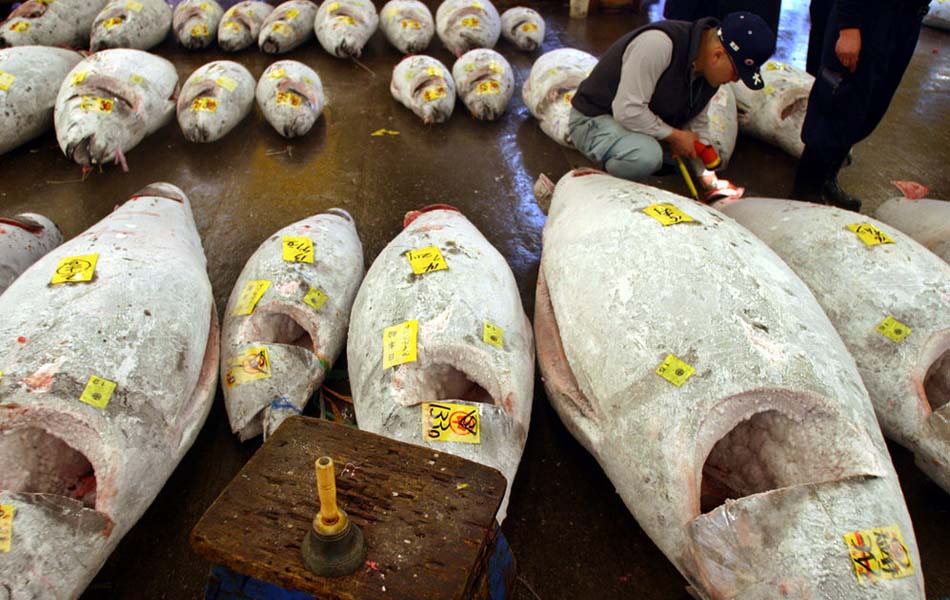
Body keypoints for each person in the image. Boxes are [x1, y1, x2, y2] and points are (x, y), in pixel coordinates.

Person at [569, 12, 776, 182]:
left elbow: (697, 122)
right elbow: (627, 110)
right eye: (736, 73)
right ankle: (596, 186)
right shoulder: (658, 45)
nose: (734, 81)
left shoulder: (709, 72)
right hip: (594, 118)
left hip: (636, 125)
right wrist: (675, 136)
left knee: (665, 156)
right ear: (717, 55)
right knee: (646, 156)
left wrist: (708, 176)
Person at [794, 0, 931, 211]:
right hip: (868, 18)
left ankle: (828, 177)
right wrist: (848, 27)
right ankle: (805, 191)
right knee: (836, 105)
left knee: (870, 108)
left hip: (907, 20)